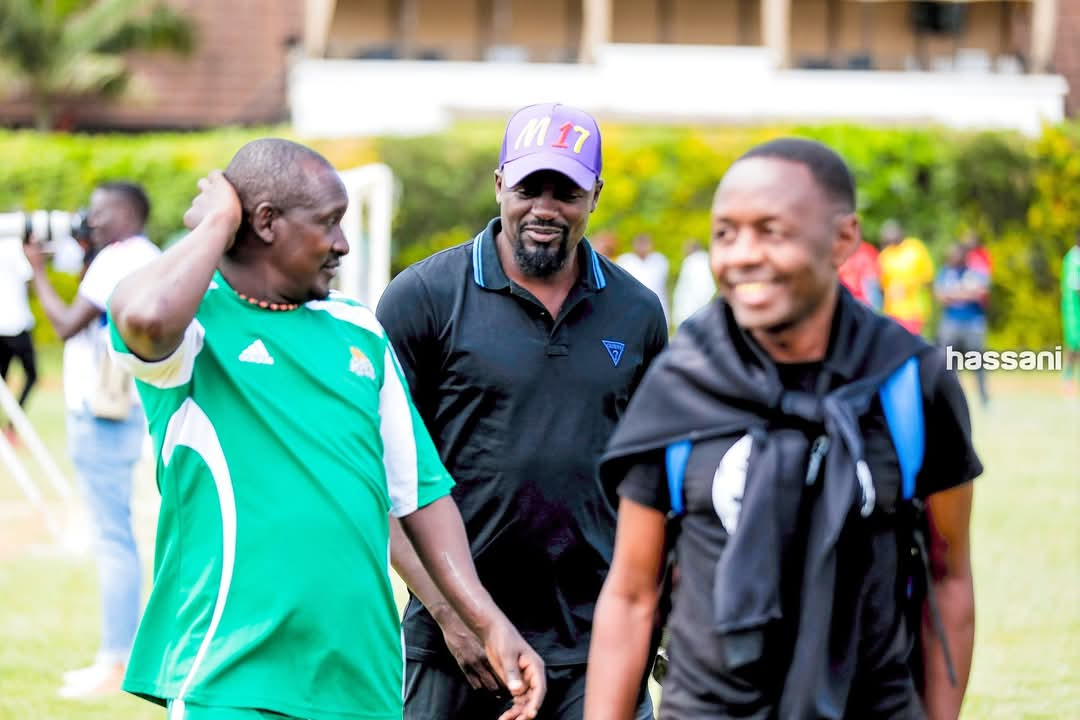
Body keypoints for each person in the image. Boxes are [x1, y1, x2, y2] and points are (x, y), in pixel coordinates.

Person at [106, 139, 545, 720]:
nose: (341, 243)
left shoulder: (358, 330)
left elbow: (418, 497)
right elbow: (145, 317)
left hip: (364, 682)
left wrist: (484, 621)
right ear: (264, 223)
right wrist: (217, 220)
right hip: (232, 679)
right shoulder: (195, 330)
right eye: (328, 223)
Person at [584, 138, 981, 720]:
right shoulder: (680, 384)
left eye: (771, 231)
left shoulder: (908, 383)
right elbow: (632, 593)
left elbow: (948, 579)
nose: (742, 254)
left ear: (843, 239)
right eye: (725, 233)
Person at [376, 103, 667, 720]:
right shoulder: (421, 299)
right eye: (529, 187)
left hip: (597, 637)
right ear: (499, 183)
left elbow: (652, 479)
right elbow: (383, 480)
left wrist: (656, 614)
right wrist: (455, 618)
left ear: (595, 196)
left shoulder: (638, 312)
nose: (544, 208)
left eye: (566, 191)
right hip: (454, 644)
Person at [24, 181, 160, 700]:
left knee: (112, 538)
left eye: (99, 212)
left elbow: (64, 325)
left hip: (99, 415)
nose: (90, 219)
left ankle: (115, 658)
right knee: (119, 535)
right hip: (124, 409)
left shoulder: (116, 259)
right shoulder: (145, 256)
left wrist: (36, 270)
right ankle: (121, 652)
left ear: (126, 214)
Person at [935, 244, 990, 406]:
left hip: (973, 323)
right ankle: (950, 399)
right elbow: (940, 296)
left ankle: (984, 398)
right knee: (948, 364)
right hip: (951, 323)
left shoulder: (974, 273)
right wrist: (966, 293)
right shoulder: (945, 272)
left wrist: (955, 294)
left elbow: (981, 294)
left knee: (978, 362)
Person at [0, 236, 38, 442]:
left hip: (2, 326)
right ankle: (11, 428)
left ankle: (8, 429)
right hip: (17, 324)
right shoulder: (15, 245)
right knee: (31, 376)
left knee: (2, 380)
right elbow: (29, 281)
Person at [878, 219, 935, 335]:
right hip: (892, 313)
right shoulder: (885, 255)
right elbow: (882, 287)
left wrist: (909, 286)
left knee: (912, 349)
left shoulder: (915, 248)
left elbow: (928, 279)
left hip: (913, 312)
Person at [618, 233, 670, 325]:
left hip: (657, 308)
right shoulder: (625, 261)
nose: (643, 247)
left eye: (645, 244)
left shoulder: (660, 261)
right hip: (631, 309)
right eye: (640, 244)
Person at [671, 239, 717, 327]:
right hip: (696, 312)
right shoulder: (702, 261)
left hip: (692, 312)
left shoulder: (693, 262)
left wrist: (699, 309)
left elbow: (704, 289)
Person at [838, 235, 882, 310]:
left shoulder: (866, 250)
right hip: (852, 295)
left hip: (865, 296)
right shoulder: (843, 253)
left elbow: (873, 277)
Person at [1063, 231, 1080, 395]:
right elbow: (1076, 287)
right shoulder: (1074, 258)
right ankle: (1067, 377)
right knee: (1074, 343)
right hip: (1074, 309)